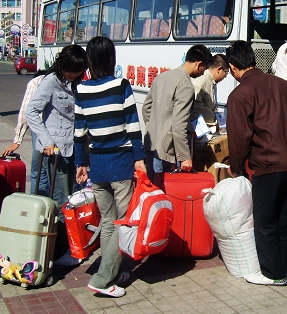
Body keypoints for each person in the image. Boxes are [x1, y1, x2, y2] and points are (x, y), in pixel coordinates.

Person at [226, 40, 287, 287]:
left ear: (232, 67)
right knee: (286, 219)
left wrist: (236, 166)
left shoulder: (239, 95)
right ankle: (286, 267)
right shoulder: (281, 84)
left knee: (265, 221)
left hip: (269, 164)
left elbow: (240, 138)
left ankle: (273, 274)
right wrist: (286, 133)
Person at [73, 37, 146, 298]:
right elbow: (133, 125)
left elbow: (79, 132)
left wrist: (80, 163)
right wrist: (139, 158)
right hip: (121, 163)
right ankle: (103, 279)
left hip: (98, 165)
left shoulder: (81, 90)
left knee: (107, 222)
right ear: (111, 58)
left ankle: (113, 272)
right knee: (121, 222)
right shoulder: (121, 85)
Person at [26, 44, 88, 267]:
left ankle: (70, 244)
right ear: (64, 66)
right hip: (56, 150)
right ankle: (60, 248)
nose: (75, 74)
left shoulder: (79, 83)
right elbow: (31, 111)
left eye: (79, 71)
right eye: (72, 70)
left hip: (75, 148)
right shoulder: (51, 81)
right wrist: (46, 141)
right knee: (62, 200)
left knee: (74, 196)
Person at [141, 44, 212, 190]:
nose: (202, 74)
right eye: (203, 70)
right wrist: (185, 157)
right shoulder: (186, 85)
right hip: (165, 150)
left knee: (151, 192)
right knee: (162, 192)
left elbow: (146, 109)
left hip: (150, 143)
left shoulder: (162, 77)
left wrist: (156, 128)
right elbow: (179, 124)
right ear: (199, 64)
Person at [2, 69, 50, 196]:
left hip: (41, 131)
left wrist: (17, 140)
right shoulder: (41, 82)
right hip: (54, 132)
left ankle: (38, 203)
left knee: (39, 172)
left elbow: (26, 111)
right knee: (47, 172)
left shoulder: (37, 82)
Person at [192, 54, 229, 126]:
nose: (225, 77)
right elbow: (196, 108)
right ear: (219, 69)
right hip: (199, 127)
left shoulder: (212, 82)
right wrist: (214, 119)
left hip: (210, 126)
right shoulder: (201, 80)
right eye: (226, 73)